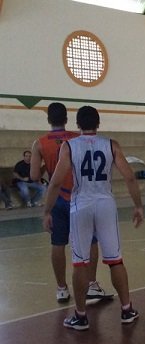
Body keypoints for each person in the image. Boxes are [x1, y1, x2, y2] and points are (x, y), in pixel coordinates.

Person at [42, 106, 143, 330]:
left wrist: (47, 211)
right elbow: (130, 178)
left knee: (80, 262)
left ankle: (80, 315)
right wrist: (138, 206)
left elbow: (56, 182)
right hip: (105, 203)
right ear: (98, 123)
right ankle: (127, 309)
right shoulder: (111, 144)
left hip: (81, 205)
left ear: (77, 124)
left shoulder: (69, 146)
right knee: (115, 259)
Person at [31, 102, 110, 303]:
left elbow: (33, 176)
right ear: (67, 119)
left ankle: (61, 288)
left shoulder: (39, 143)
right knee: (91, 241)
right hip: (80, 195)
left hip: (57, 197)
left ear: (48, 119)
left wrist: (46, 168)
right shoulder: (76, 138)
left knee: (58, 243)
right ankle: (91, 284)